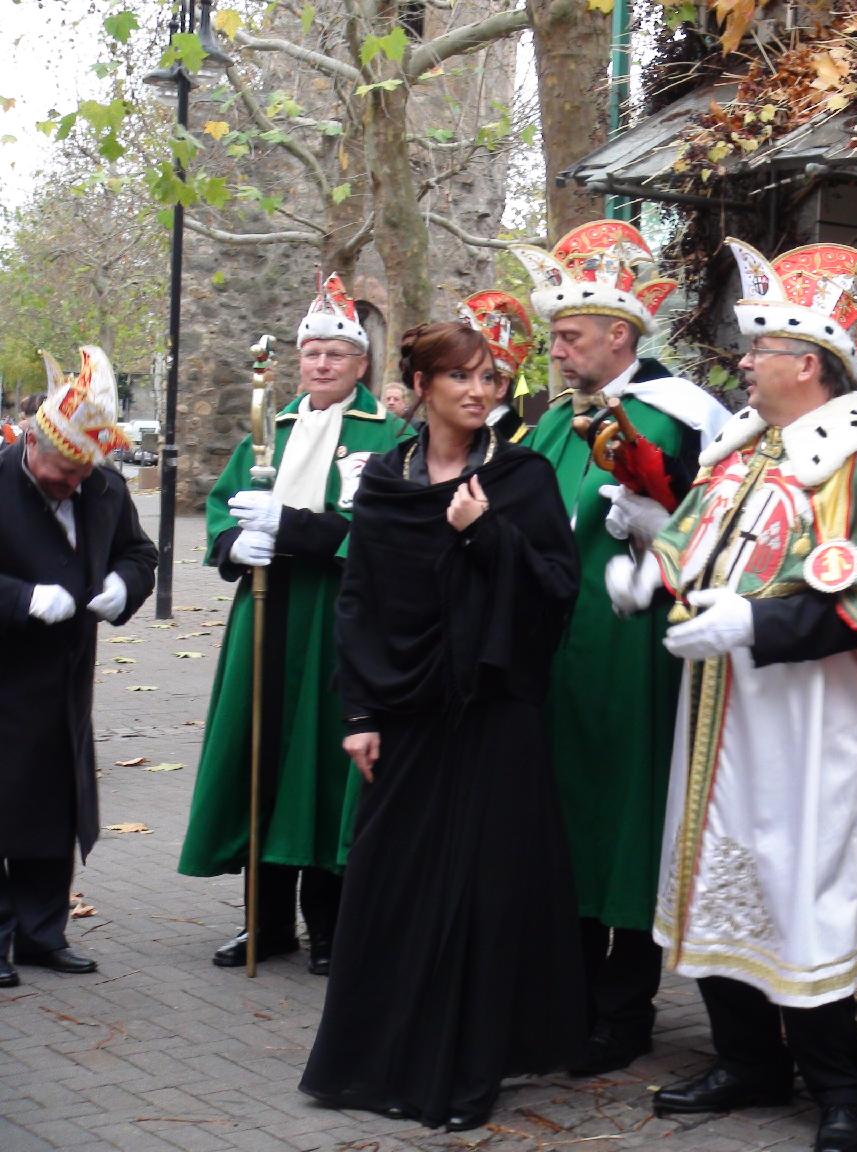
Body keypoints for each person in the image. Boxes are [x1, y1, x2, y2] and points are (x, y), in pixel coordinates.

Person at [606, 234, 857, 1152]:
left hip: (810, 718)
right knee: (717, 877)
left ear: (807, 363)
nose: (744, 364)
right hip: (724, 711)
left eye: (758, 350)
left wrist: (753, 627)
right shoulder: (746, 447)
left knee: (801, 885)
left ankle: (842, 1087)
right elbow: (697, 538)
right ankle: (747, 1060)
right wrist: (650, 572)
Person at [300, 320, 585, 1131]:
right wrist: (359, 711)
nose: (478, 390)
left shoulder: (521, 476)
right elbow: (360, 600)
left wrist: (486, 534)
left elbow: (557, 590)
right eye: (460, 376)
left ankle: (468, 1071)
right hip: (405, 710)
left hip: (494, 710)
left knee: (483, 889)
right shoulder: (385, 479)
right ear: (422, 387)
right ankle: (376, 1059)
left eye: (489, 378)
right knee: (390, 881)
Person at [512, 220, 730, 1075]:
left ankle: (624, 1007)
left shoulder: (682, 418)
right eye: (555, 336)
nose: (557, 349)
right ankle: (564, 992)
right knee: (563, 817)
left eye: (570, 336)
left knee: (629, 817)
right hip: (556, 654)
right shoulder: (551, 424)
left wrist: (660, 530)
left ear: (619, 334)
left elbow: (724, 532)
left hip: (636, 653)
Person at [179, 274, 410, 973]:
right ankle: (266, 922)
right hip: (267, 611)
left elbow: (389, 530)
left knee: (326, 765)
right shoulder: (268, 429)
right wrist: (230, 543)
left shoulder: (391, 435)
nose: (321, 364)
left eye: (336, 355)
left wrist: (300, 530)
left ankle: (332, 927)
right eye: (311, 353)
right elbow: (223, 503)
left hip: (339, 617)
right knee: (262, 754)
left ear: (361, 364)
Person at [0, 347, 155, 987]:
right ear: (33, 442)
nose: (72, 484)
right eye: (62, 472)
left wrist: (124, 584)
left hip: (65, 680)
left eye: (82, 473)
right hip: (5, 674)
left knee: (52, 805)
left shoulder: (102, 486)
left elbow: (139, 552)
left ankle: (41, 935)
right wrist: (21, 599)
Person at [459, 289, 535, 444]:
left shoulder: (521, 449)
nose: (460, 389)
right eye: (460, 377)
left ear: (501, 385)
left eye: (485, 377)